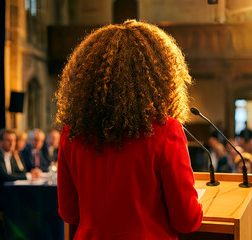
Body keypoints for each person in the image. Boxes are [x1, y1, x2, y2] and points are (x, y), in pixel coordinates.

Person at [55, 20, 203, 239]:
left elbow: (69, 213)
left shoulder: (72, 133)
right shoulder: (165, 131)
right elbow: (186, 220)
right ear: (157, 76)